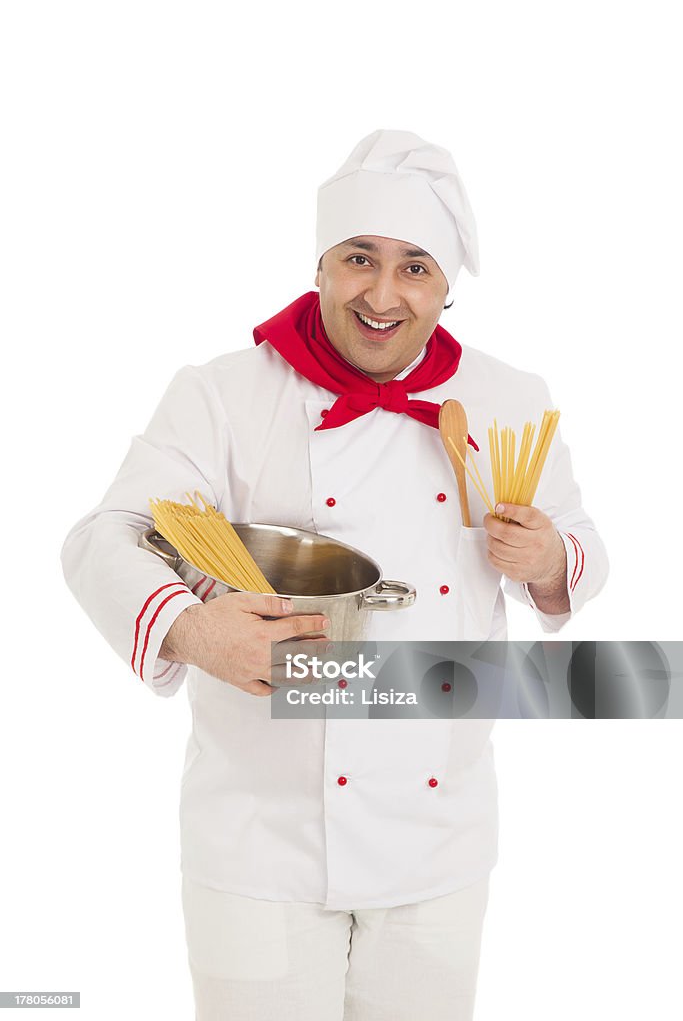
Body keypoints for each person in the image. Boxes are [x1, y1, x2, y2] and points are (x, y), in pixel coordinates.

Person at [61, 129, 608, 1021]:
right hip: (256, 841)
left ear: (445, 286)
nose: (382, 295)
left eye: (415, 267)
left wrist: (551, 561)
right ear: (321, 264)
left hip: (438, 841)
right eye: (359, 258)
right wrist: (190, 628)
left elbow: (581, 543)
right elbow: (101, 536)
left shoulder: (511, 398)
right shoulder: (223, 393)